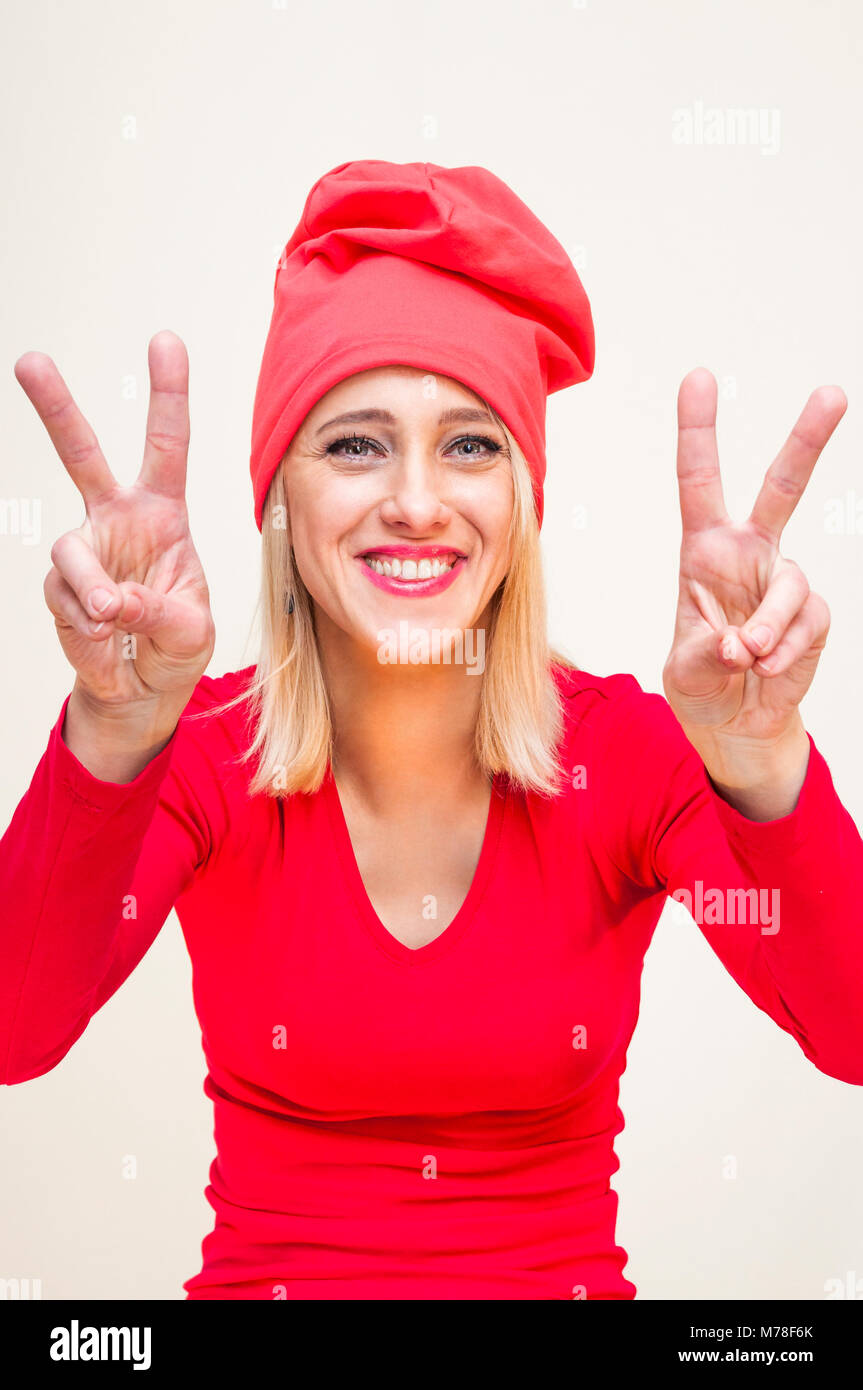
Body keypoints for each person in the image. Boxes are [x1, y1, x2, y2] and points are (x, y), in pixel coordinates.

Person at [2, 160, 861, 1301]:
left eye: (469, 444)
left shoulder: (634, 751)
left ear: (521, 500)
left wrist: (761, 766)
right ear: (280, 499)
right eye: (355, 443)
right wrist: (111, 735)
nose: (416, 499)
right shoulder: (203, 747)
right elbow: (16, 1029)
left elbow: (848, 1028)